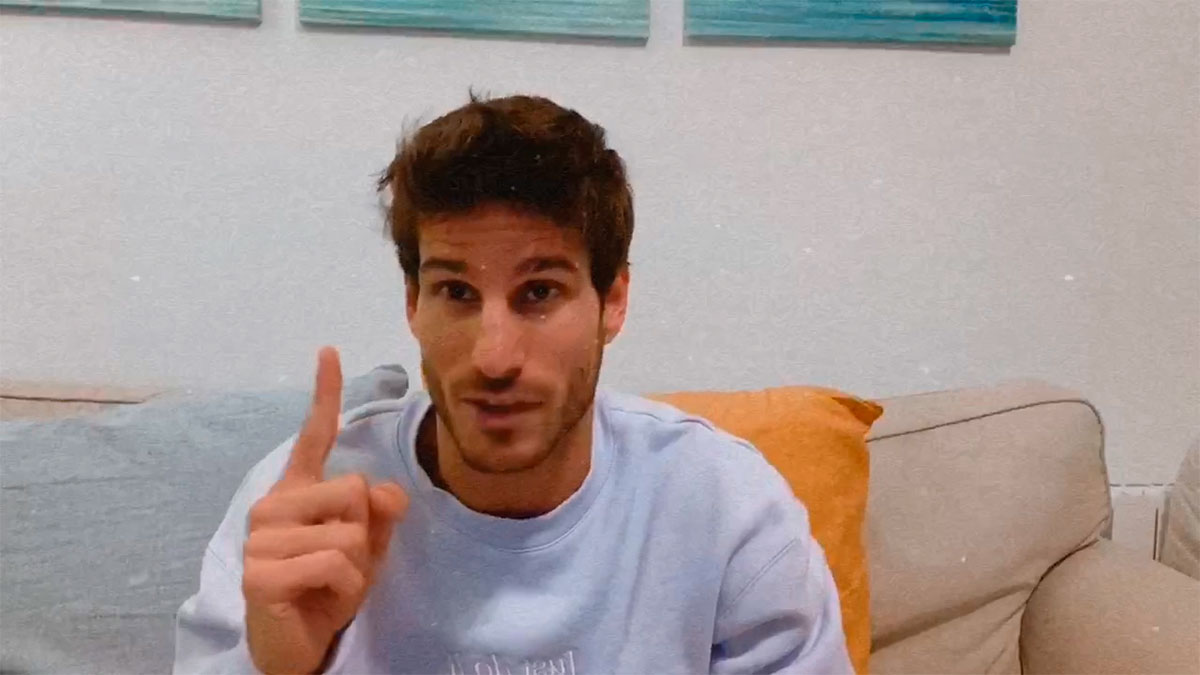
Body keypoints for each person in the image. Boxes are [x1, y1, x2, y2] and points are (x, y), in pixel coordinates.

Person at [173, 94, 852, 674]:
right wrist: (281, 666)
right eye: (456, 291)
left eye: (539, 291)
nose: (494, 357)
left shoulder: (724, 507)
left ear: (613, 301)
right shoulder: (304, 510)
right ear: (413, 303)